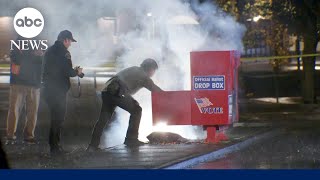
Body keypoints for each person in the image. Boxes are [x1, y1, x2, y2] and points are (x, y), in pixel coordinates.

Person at [87, 58, 162, 151]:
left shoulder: (135, 69)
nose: (153, 73)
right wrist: (170, 97)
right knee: (137, 110)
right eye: (154, 70)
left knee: (103, 119)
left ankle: (92, 146)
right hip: (117, 91)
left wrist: (131, 100)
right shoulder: (143, 75)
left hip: (107, 91)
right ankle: (131, 139)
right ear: (150, 69)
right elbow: (155, 89)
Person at [42, 30, 84, 154]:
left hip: (48, 89)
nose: (70, 44)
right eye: (70, 41)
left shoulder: (49, 50)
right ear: (65, 39)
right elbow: (67, 71)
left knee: (55, 118)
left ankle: (54, 146)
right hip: (58, 90)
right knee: (58, 119)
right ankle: (55, 147)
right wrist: (77, 71)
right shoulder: (65, 52)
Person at [6, 36, 43, 144]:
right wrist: (33, 55)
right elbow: (16, 58)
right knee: (14, 110)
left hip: (32, 83)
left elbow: (42, 60)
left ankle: (29, 135)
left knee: (32, 111)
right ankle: (10, 135)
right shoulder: (18, 41)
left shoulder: (38, 42)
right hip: (19, 83)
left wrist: (30, 55)